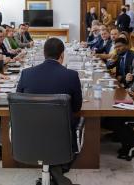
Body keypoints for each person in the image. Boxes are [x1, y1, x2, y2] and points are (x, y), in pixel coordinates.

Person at [17, 38, 82, 185]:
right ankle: (57, 172)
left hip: (29, 135)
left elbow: (19, 103)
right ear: (62, 55)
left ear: (43, 53)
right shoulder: (71, 75)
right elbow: (77, 108)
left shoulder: (26, 74)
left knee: (45, 136)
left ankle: (54, 173)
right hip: (61, 137)